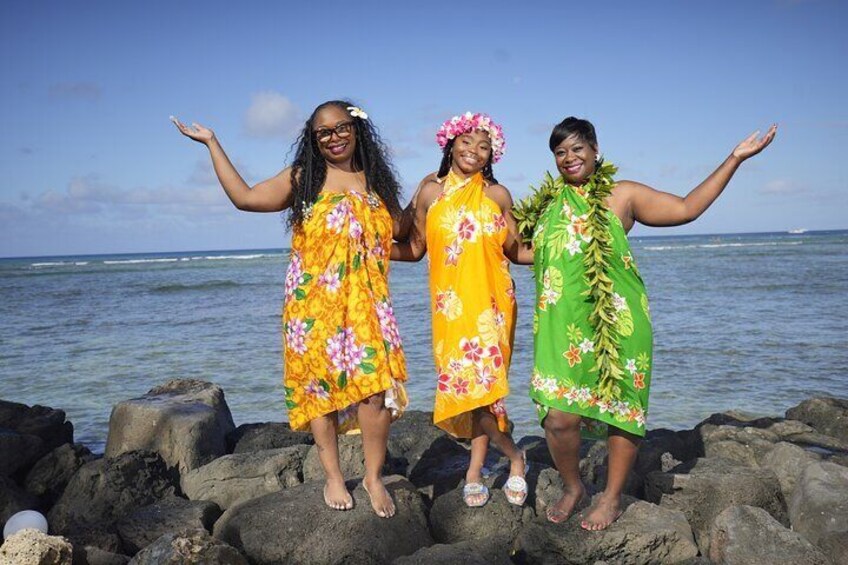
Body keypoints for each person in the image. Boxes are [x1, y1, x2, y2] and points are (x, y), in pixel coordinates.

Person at [524, 117, 777, 529]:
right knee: (558, 417)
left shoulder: (622, 195)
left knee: (621, 411)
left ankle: (611, 498)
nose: (569, 157)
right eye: (560, 152)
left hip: (619, 321)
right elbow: (525, 252)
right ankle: (574, 487)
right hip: (562, 328)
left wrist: (735, 159)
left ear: (595, 150)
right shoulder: (549, 206)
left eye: (577, 148)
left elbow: (686, 208)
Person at [172, 100, 408, 518]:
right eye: (324, 132)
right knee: (320, 392)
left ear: (356, 129)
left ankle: (373, 477)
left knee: (374, 392)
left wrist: (434, 191)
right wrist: (212, 143)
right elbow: (245, 198)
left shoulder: (376, 181)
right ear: (313, 139)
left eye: (341, 128)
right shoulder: (303, 177)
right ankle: (333, 476)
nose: (334, 137)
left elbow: (402, 236)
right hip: (312, 304)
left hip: (367, 303)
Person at [392, 112, 532, 507]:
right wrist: (368, 249)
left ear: (492, 154)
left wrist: (569, 248)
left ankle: (480, 469)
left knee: (485, 392)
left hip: (493, 306)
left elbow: (517, 250)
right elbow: (414, 247)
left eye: (483, 146)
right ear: (450, 144)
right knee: (468, 392)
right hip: (450, 308)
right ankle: (512, 455)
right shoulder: (429, 193)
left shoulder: (498, 195)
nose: (474, 150)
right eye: (467, 142)